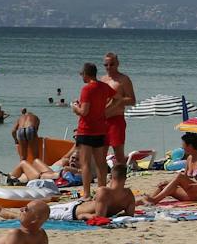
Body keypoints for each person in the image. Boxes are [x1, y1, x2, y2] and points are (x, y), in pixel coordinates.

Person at [72, 61, 116, 197]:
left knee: (85, 164)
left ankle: (86, 193)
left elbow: (84, 111)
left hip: (86, 130)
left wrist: (75, 107)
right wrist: (104, 109)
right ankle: (102, 190)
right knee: (100, 163)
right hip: (101, 129)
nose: (81, 77)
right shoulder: (103, 86)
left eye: (82, 74)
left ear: (86, 74)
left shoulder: (87, 89)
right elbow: (116, 97)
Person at [148, 134, 197, 205]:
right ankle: (150, 200)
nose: (182, 147)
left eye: (183, 145)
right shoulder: (189, 158)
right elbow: (185, 178)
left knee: (180, 176)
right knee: (164, 186)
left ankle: (155, 200)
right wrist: (168, 182)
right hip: (194, 192)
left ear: (190, 146)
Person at [54, 167, 136, 222]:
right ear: (125, 178)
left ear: (111, 177)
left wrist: (84, 215)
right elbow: (130, 214)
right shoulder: (129, 195)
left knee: (44, 212)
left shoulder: (104, 191)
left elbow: (100, 217)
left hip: (71, 212)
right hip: (71, 209)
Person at [102, 51, 136, 169]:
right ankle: (103, 180)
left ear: (117, 64)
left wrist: (118, 100)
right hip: (102, 120)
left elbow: (132, 100)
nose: (109, 67)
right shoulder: (103, 79)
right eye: (106, 65)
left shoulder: (123, 79)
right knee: (101, 153)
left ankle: (121, 180)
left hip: (116, 119)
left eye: (111, 64)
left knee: (119, 154)